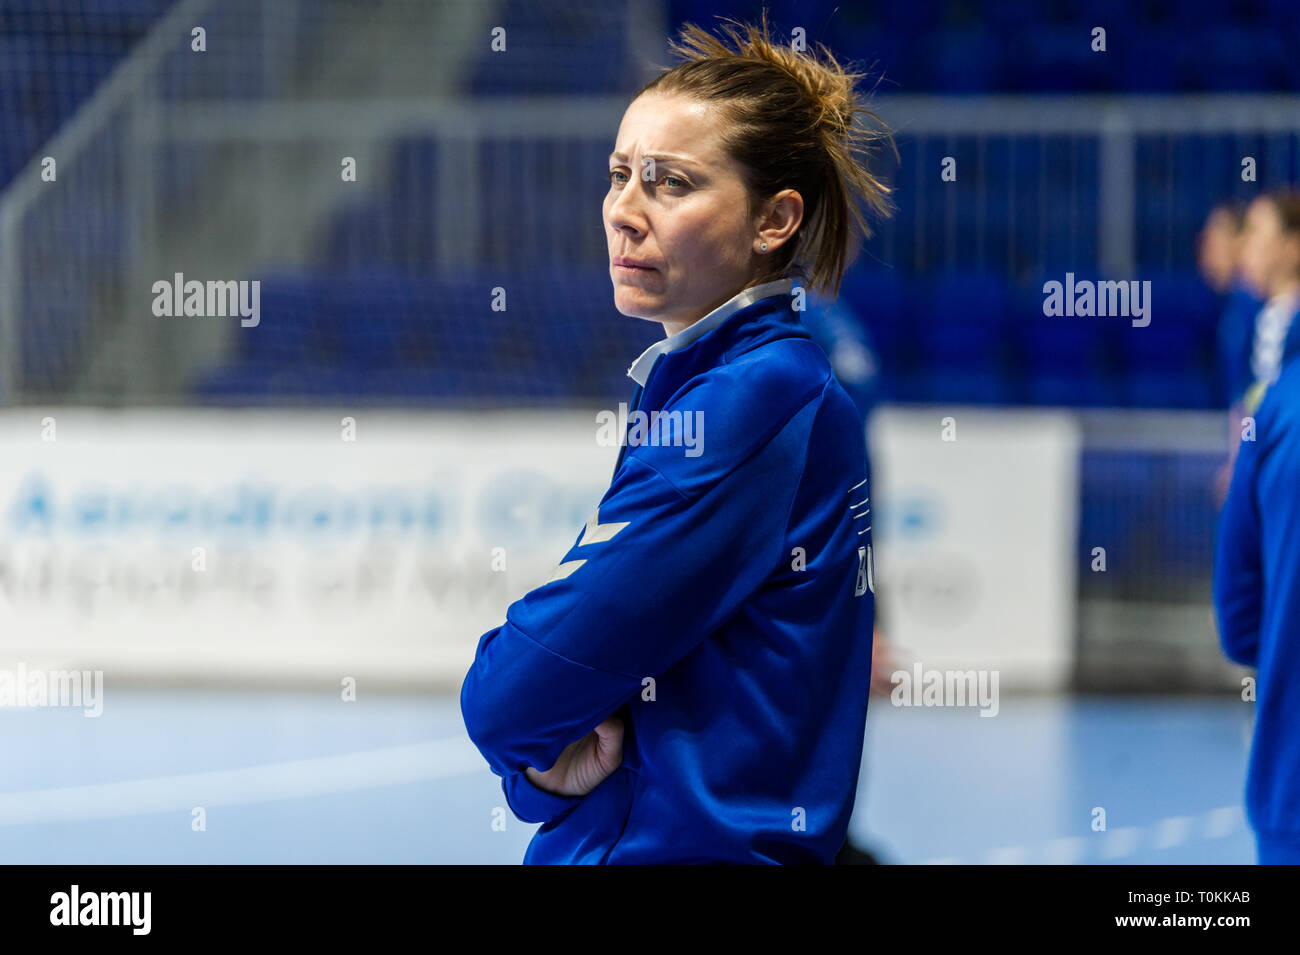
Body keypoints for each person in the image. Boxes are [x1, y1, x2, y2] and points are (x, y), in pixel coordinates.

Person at [460, 12, 894, 864]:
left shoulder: (751, 398)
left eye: (671, 183)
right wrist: (544, 777)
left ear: (774, 220)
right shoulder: (719, 382)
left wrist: (526, 750)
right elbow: (572, 713)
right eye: (619, 174)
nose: (624, 210)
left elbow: (509, 697)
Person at [1213, 187, 1300, 865]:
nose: (1249, 247)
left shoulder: (1278, 326)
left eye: (1262, 232)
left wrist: (1248, 459)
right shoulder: (1260, 318)